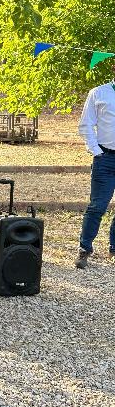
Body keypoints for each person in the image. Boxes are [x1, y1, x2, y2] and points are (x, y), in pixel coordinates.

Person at [74, 67, 115, 268]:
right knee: (97, 206)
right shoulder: (99, 93)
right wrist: (96, 150)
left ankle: (114, 248)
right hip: (105, 158)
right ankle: (84, 248)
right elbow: (86, 124)